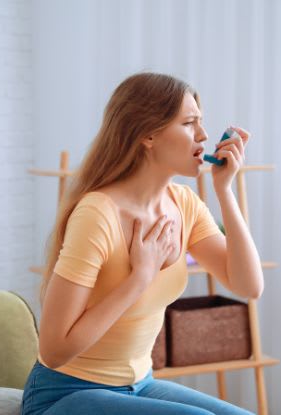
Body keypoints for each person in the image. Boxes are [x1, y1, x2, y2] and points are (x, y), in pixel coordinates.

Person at [21, 72, 264, 415]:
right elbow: (54, 348)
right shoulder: (98, 214)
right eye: (189, 123)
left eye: (202, 122)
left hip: (140, 385)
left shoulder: (183, 203)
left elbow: (248, 285)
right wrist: (141, 276)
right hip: (65, 394)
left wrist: (225, 191)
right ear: (148, 134)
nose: (204, 135)